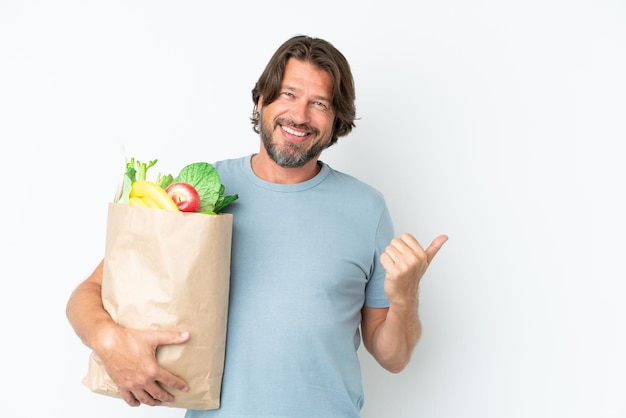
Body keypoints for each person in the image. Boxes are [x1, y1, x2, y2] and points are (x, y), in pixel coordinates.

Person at [66, 34, 448, 417]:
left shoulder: (367, 209)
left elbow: (392, 357)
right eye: (288, 95)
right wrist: (110, 342)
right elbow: (89, 293)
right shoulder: (200, 193)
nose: (300, 116)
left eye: (319, 103)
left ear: (336, 120)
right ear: (261, 100)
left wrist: (405, 296)